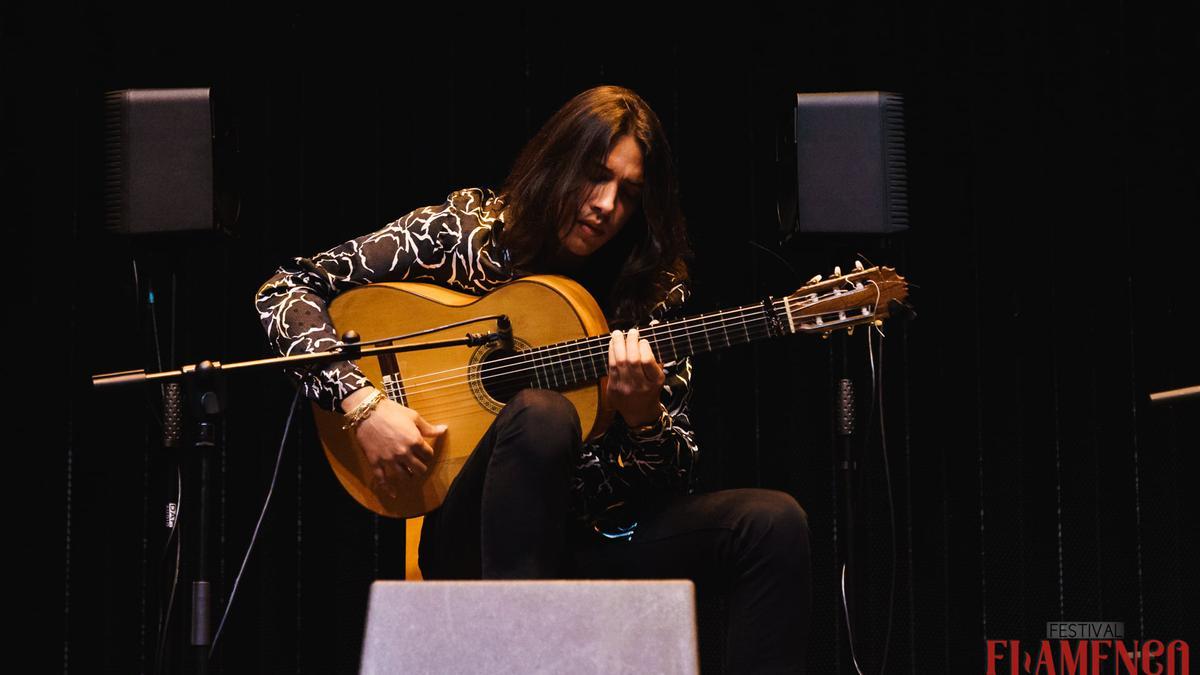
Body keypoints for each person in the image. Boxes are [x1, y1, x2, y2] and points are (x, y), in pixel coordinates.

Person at [255, 85, 810, 672]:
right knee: (543, 412)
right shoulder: (465, 234)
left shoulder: (651, 290)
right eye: (596, 176)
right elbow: (284, 290)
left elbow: (674, 474)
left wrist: (643, 416)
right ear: (558, 160)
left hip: (598, 534)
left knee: (773, 524)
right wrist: (362, 402)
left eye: (628, 193)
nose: (605, 205)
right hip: (479, 537)